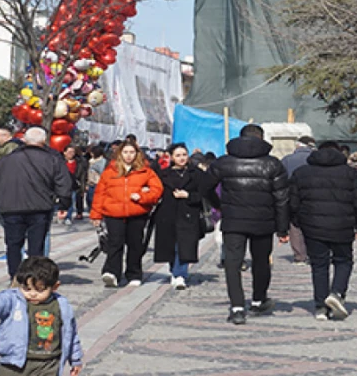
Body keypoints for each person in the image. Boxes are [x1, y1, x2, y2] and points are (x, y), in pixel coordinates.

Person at [206, 124, 290, 325]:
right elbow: (282, 199)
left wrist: (219, 206)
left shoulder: (224, 162)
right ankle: (258, 300)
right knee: (261, 262)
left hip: (233, 219)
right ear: (261, 138)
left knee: (233, 264)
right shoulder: (273, 164)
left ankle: (236, 307)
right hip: (263, 221)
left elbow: (204, 187)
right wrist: (282, 228)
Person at [289, 142, 357, 321]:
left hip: (312, 226)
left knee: (319, 265)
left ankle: (320, 307)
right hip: (342, 225)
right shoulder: (350, 174)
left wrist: (297, 221)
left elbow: (293, 202)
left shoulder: (302, 173)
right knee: (343, 261)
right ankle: (337, 293)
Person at [0, 256, 84, 376]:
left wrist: (75, 359)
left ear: (54, 287)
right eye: (27, 289)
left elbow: (71, 334)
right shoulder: (14, 300)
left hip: (49, 363)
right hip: (15, 363)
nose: (32, 294)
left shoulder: (62, 306)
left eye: (40, 290)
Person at [0, 127, 73, 279]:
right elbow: (64, 184)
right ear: (44, 141)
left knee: (13, 245)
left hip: (11, 208)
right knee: (36, 246)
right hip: (39, 208)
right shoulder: (52, 159)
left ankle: (15, 277)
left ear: (25, 141)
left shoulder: (6, 160)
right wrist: (64, 205)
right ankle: (35, 277)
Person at [89, 140, 163, 287]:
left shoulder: (146, 171)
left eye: (132, 152)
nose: (128, 156)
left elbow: (157, 190)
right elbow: (100, 194)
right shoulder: (109, 172)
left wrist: (142, 197)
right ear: (119, 154)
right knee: (115, 243)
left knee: (135, 245)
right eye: (125, 152)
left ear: (137, 154)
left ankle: (134, 273)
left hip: (137, 213)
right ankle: (111, 272)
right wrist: (96, 215)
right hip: (113, 213)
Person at [153, 143, 215, 290]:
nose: (182, 158)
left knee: (185, 245)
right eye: (178, 155)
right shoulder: (163, 174)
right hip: (167, 213)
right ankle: (174, 271)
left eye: (184, 155)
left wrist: (189, 196)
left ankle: (180, 274)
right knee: (170, 246)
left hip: (189, 213)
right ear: (172, 157)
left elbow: (205, 194)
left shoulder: (196, 174)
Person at [280, 136, 315, 266]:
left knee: (294, 226)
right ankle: (312, 252)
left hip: (291, 196)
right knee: (312, 224)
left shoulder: (287, 160)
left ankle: (299, 255)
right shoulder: (315, 159)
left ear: (297, 145)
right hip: (312, 197)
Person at [63, 145, 88, 223]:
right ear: (64, 153)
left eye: (73, 152)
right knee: (64, 201)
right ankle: (64, 214)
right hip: (63, 185)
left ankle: (68, 217)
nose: (71, 154)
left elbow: (83, 176)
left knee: (71, 201)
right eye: (69, 152)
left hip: (74, 185)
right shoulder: (60, 162)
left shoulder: (79, 162)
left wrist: (83, 187)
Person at [85, 145, 107, 212]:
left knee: (95, 200)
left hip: (98, 183)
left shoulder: (102, 161)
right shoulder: (91, 161)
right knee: (89, 199)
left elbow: (102, 171)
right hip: (91, 183)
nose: (91, 154)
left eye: (92, 152)